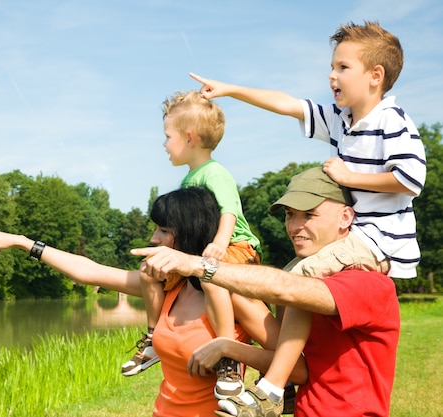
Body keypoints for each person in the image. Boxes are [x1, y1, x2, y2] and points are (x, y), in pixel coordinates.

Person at [189, 20, 426, 414]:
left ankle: (273, 386)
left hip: (379, 238)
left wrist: (349, 177)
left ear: (375, 76)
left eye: (342, 67)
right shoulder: (342, 119)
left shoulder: (392, 120)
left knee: (294, 281)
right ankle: (286, 370)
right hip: (358, 232)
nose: (331, 76)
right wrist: (231, 90)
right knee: (288, 274)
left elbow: (410, 178)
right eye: (331, 67)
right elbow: (288, 104)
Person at [0, 187, 291, 417]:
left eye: (163, 230)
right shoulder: (169, 288)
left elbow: (295, 366)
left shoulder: (232, 295)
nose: (153, 238)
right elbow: (89, 271)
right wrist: (22, 242)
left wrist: (229, 349)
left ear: (189, 234)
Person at [132, 167, 401, 417]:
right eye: (289, 215)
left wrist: (197, 265)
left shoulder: (367, 283)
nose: (295, 227)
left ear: (345, 217)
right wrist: (230, 347)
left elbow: (286, 289)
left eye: (309, 215)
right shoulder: (305, 278)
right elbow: (301, 364)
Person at [123, 90, 262, 403]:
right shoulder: (189, 180)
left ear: (189, 138)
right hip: (201, 250)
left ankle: (227, 357)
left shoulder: (214, 173)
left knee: (211, 278)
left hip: (235, 246)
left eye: (167, 135)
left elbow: (228, 213)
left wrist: (217, 246)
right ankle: (152, 337)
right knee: (148, 272)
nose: (163, 143)